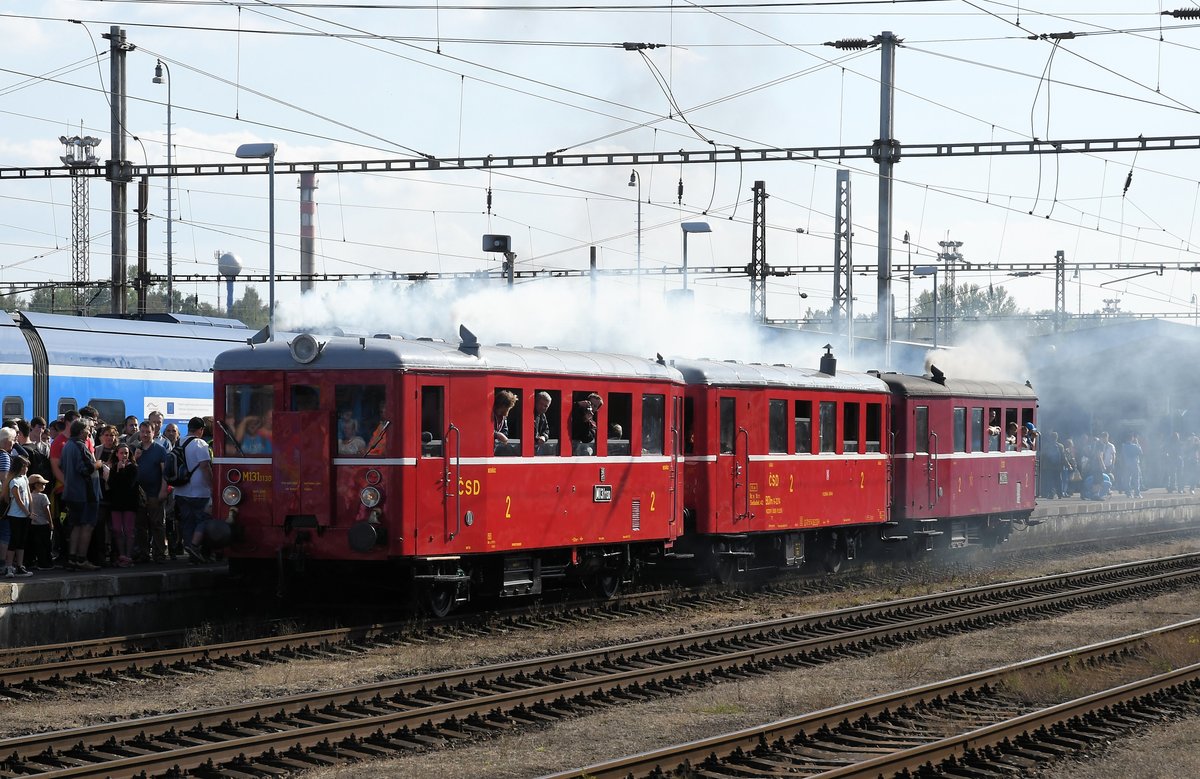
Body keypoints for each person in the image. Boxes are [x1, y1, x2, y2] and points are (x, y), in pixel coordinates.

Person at [61, 420, 101, 571]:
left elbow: (62, 466)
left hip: (71, 492)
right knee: (87, 526)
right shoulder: (80, 446)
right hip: (85, 494)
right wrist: (98, 464)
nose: (89, 432)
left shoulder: (67, 446)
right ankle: (82, 559)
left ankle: (72, 559)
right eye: (87, 430)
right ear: (81, 431)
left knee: (76, 526)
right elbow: (85, 469)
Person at [175, 417, 214, 563]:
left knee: (187, 521)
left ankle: (191, 554)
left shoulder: (179, 442)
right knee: (204, 519)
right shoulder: (200, 443)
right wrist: (212, 486)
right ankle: (195, 546)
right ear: (201, 429)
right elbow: (205, 466)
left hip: (180, 490)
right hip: (199, 491)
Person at [132, 421, 170, 563]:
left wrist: (163, 490)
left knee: (157, 524)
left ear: (153, 433)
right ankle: (143, 553)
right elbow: (131, 470)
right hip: (140, 494)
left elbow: (164, 472)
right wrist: (135, 458)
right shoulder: (136, 449)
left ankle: (159, 554)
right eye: (142, 432)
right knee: (140, 526)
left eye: (148, 432)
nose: (145, 434)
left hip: (155, 492)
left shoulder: (159, 450)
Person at [104, 443, 140, 567]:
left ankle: (128, 555)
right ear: (116, 454)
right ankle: (121, 554)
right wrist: (118, 470)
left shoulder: (133, 468)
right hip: (116, 503)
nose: (124, 455)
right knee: (117, 530)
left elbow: (129, 484)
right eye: (121, 453)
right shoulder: (113, 468)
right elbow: (112, 485)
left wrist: (123, 470)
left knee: (129, 530)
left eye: (126, 453)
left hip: (129, 503)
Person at [2, 456, 32, 577]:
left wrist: (31, 509)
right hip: (15, 515)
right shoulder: (13, 481)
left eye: (27, 466)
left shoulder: (25, 478)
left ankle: (20, 565)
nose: (26, 469)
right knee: (14, 540)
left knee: (22, 541)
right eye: (24, 466)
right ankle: (8, 566)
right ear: (19, 467)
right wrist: (27, 512)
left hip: (25, 515)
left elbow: (29, 495)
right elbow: (18, 500)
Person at [25, 474, 53, 571]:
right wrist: (51, 523)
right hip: (43, 524)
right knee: (45, 544)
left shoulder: (28, 496)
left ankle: (32, 562)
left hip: (33, 524)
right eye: (42, 484)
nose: (44, 486)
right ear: (36, 485)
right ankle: (44, 563)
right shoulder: (43, 497)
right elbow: (47, 511)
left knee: (35, 544)